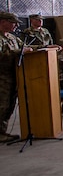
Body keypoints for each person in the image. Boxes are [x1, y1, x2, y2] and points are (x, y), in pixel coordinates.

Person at [0, 12, 32, 142]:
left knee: (9, 105)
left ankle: (2, 131)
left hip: (13, 75)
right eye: (13, 23)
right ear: (3, 22)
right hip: (2, 77)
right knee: (2, 105)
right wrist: (19, 52)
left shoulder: (12, 38)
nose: (15, 26)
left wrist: (44, 47)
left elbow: (24, 47)